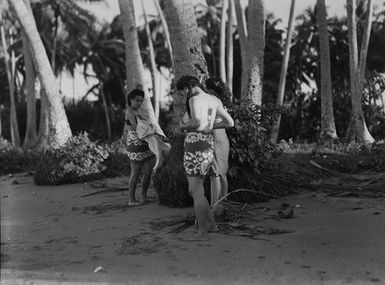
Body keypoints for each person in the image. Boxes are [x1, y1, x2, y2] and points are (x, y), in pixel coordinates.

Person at [176, 75, 234, 240]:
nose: (184, 95)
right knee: (196, 189)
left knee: (196, 191)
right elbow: (230, 122)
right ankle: (213, 226)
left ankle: (202, 231)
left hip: (195, 147)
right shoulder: (214, 99)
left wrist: (183, 126)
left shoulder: (194, 99)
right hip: (208, 147)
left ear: (188, 87)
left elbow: (196, 123)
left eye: (183, 92)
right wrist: (210, 125)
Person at [205, 78, 233, 216]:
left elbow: (229, 123)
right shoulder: (220, 101)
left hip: (217, 139)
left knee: (215, 173)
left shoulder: (214, 102)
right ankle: (222, 203)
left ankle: (214, 206)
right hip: (222, 139)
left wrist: (208, 126)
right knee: (221, 173)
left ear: (210, 90)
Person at [123, 89, 156, 206]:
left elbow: (145, 126)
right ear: (131, 99)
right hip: (134, 144)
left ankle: (144, 197)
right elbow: (137, 127)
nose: (139, 102)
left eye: (141, 100)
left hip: (144, 143)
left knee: (148, 171)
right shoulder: (130, 111)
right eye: (137, 100)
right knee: (135, 172)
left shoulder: (138, 111)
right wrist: (151, 129)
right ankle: (131, 200)